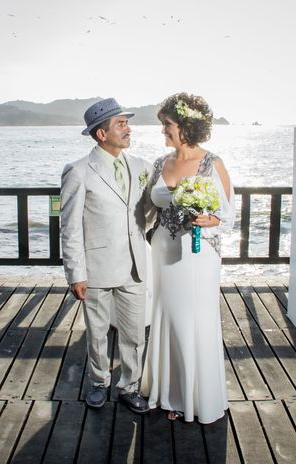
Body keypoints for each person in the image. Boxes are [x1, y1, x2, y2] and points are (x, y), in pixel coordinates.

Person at [140, 92, 234, 424]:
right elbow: (147, 207)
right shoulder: (158, 164)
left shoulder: (213, 164)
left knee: (193, 318)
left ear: (187, 126)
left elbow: (228, 216)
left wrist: (211, 221)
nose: (163, 131)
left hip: (197, 255)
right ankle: (167, 391)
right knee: (166, 314)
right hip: (163, 249)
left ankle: (193, 398)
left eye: (167, 125)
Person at [60, 98, 154, 414]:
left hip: (135, 265)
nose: (128, 129)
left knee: (134, 333)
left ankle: (129, 386)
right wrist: (76, 274)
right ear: (102, 134)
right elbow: (69, 227)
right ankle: (99, 383)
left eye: (127, 123)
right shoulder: (78, 171)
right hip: (96, 268)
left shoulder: (142, 167)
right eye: (121, 124)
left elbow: (146, 217)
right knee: (97, 334)